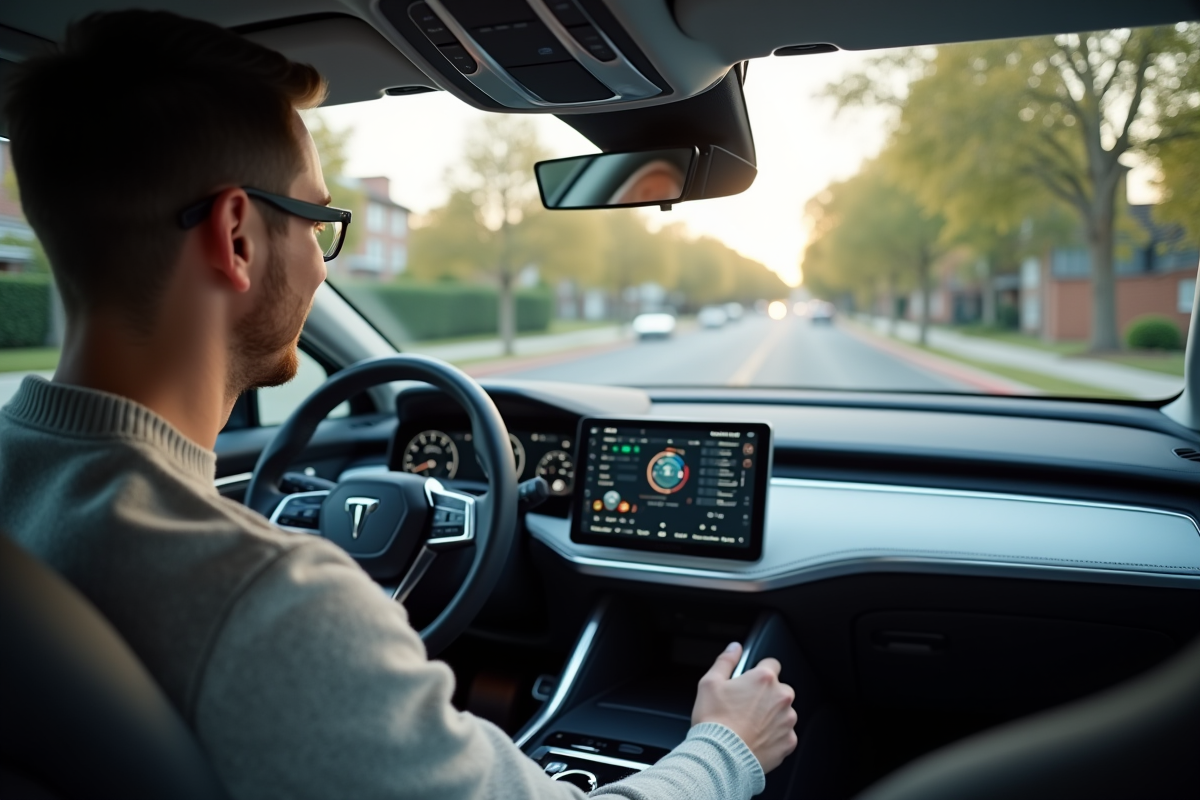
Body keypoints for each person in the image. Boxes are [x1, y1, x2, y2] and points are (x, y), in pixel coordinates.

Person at [0, 10, 798, 799]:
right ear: (237, 238)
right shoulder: (276, 603)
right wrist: (727, 747)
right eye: (318, 221)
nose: (321, 265)